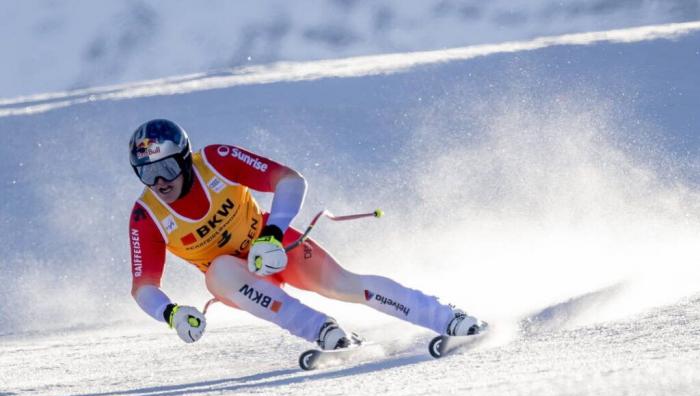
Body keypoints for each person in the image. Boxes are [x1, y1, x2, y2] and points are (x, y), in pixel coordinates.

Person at [128, 119, 485, 349]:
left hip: (275, 246)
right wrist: (171, 313)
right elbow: (144, 287)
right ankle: (321, 330)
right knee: (219, 271)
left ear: (186, 159)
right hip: (240, 281)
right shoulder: (148, 215)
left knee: (342, 285)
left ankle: (445, 317)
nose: (160, 182)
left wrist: (272, 233)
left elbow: (289, 180)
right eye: (147, 173)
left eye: (167, 167)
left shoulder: (216, 160)